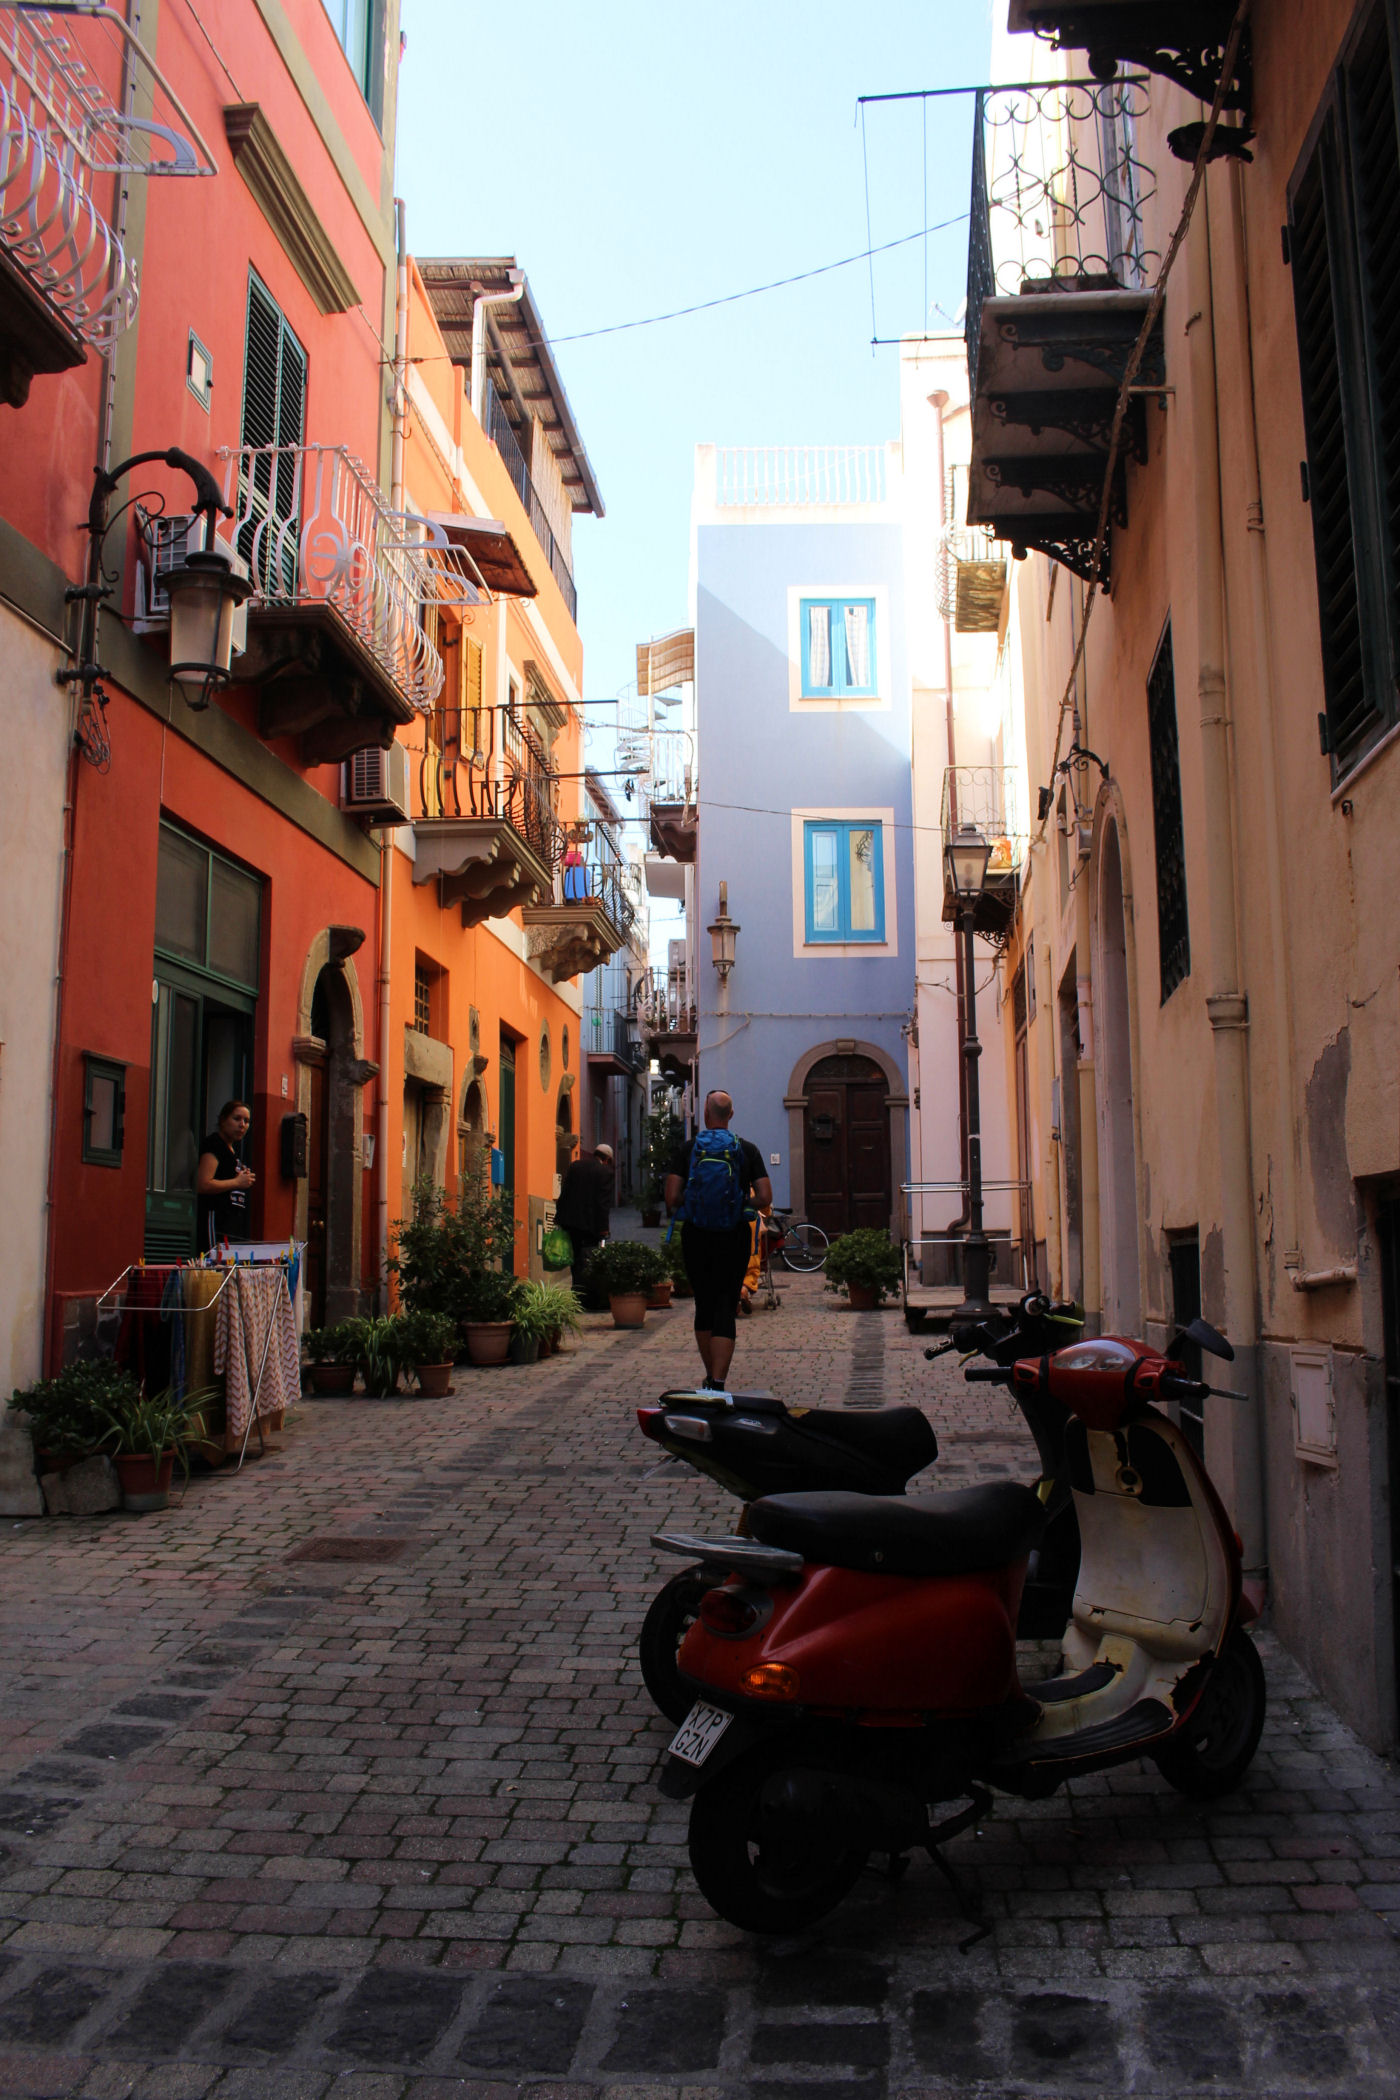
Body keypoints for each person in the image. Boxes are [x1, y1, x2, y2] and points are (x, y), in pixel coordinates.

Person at [665, 1091, 771, 1393]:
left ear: (705, 1114)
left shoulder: (688, 1150)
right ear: (731, 1115)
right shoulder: (746, 1150)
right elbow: (765, 1197)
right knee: (726, 1305)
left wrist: (695, 1201)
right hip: (734, 1235)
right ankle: (719, 1382)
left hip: (696, 1235)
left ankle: (710, 1375)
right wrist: (739, 1203)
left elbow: (672, 1198)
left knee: (704, 1304)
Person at [195, 1099, 256, 1252]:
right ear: (223, 1120)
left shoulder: (233, 1151)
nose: (242, 1125)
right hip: (215, 1219)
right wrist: (237, 1182)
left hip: (232, 1223)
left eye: (246, 1121)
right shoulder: (215, 1145)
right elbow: (203, 1184)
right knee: (215, 1262)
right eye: (237, 1119)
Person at [554, 1141, 614, 1275]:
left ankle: (576, 1283)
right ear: (607, 1159)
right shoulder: (605, 1172)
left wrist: (559, 1217)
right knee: (588, 1257)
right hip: (590, 1225)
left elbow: (565, 1192)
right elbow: (603, 1203)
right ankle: (585, 1283)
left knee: (575, 1257)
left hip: (571, 1222)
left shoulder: (576, 1166)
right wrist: (604, 1228)